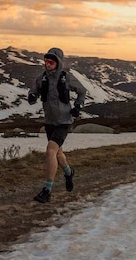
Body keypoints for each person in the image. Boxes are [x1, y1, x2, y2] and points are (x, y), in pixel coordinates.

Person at [27, 47, 88, 203]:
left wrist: (77, 106)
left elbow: (82, 91)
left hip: (64, 121)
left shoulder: (66, 78)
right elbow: (33, 91)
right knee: (58, 153)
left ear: (58, 63)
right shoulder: (41, 78)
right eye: (46, 61)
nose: (48, 64)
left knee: (50, 150)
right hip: (50, 122)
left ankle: (47, 190)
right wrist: (32, 96)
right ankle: (68, 173)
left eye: (51, 62)